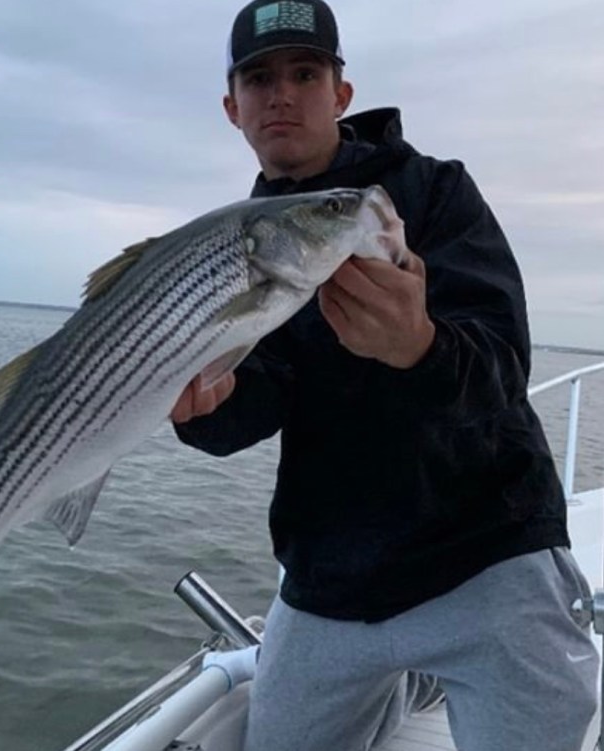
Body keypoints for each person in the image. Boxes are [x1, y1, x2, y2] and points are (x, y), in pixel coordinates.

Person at [171, 1, 599, 749]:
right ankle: (413, 681)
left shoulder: (434, 191)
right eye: (259, 78)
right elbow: (260, 395)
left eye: (306, 74)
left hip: (487, 549)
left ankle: (428, 673)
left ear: (341, 93)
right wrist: (210, 406)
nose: (282, 94)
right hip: (333, 573)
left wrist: (421, 345)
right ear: (231, 107)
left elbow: (503, 363)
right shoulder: (244, 246)